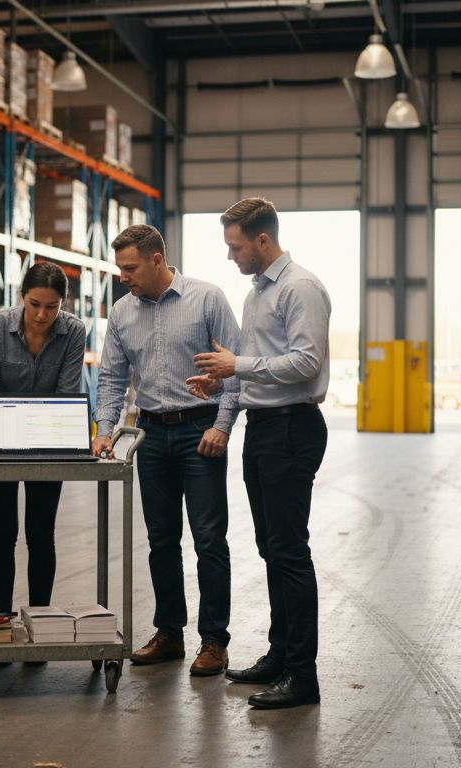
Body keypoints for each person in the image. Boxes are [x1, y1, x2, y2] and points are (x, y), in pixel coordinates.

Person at [188, 197, 331, 710]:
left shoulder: (300, 288)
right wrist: (224, 377)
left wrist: (239, 366)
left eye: (235, 245)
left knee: (290, 552)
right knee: (273, 550)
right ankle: (280, 655)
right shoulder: (256, 293)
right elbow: (255, 364)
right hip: (264, 427)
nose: (230, 256)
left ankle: (302, 674)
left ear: (262, 240)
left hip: (292, 429)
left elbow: (305, 363)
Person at [91, 224, 242, 677]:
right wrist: (104, 429)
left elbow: (234, 370)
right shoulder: (121, 312)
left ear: (157, 260)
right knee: (161, 541)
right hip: (150, 435)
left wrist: (222, 426)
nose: (123, 276)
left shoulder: (207, 299)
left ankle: (214, 641)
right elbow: (113, 378)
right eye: (120, 268)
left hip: (201, 433)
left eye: (130, 267)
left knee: (209, 540)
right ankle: (170, 633)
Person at [0, 261, 87, 614]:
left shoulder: (74, 332)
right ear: (22, 296)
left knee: (41, 536)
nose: (42, 314)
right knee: (2, 536)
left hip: (47, 446)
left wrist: (51, 437)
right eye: (35, 304)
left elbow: (67, 394)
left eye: (52, 306)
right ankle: (2, 621)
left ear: (63, 303)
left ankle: (41, 621)